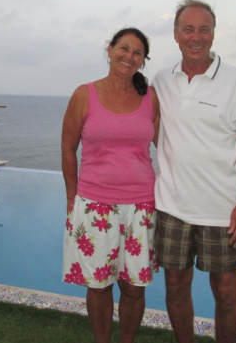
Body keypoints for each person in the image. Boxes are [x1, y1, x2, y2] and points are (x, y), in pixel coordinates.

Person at [152, 0, 236, 343]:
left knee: (227, 290)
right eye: (188, 28)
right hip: (172, 206)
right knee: (175, 285)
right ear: (176, 34)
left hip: (223, 210)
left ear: (214, 34)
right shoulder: (162, 80)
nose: (196, 36)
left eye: (204, 28)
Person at [61, 27, 160, 343]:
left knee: (133, 287)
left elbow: (169, 147)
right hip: (95, 204)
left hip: (141, 206)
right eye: (124, 48)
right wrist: (72, 197)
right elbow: (67, 148)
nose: (129, 56)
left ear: (143, 62)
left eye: (137, 53)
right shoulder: (84, 94)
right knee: (99, 284)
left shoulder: (150, 98)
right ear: (110, 50)